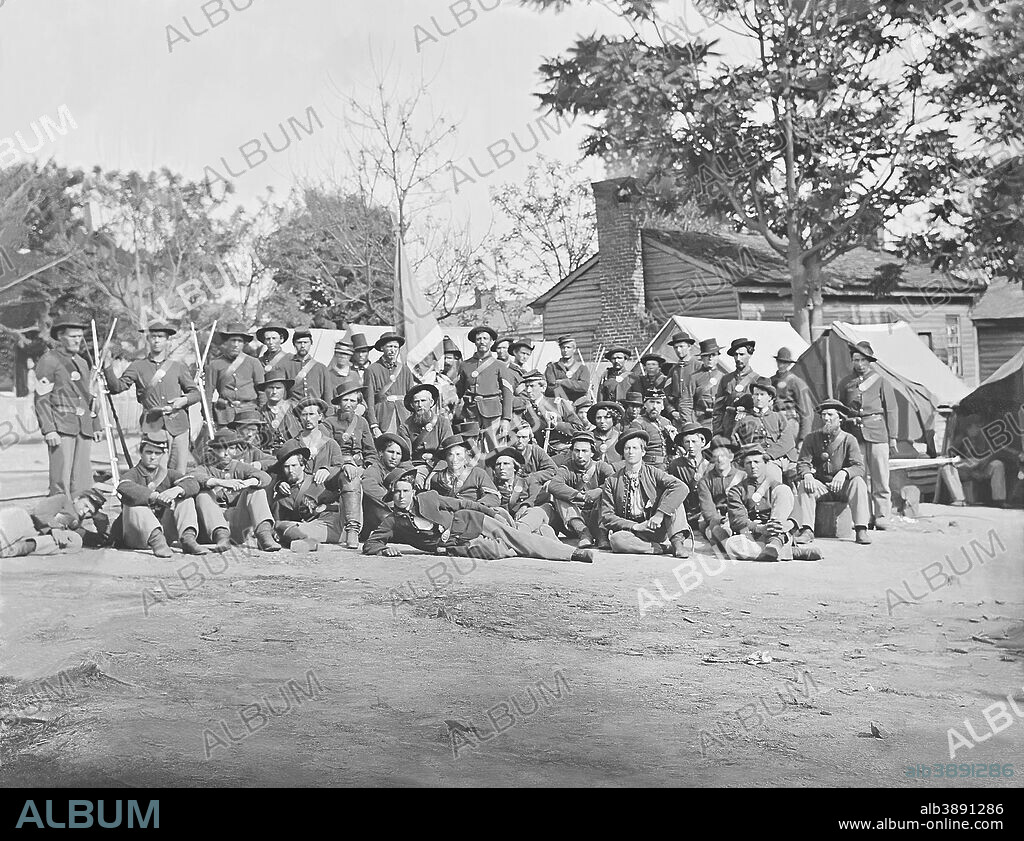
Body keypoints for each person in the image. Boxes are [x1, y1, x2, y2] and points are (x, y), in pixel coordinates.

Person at [363, 467, 593, 563]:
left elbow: (462, 503)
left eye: (405, 490)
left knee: (516, 538)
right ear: (391, 495)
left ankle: (572, 553)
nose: (401, 496)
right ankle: (539, 535)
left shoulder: (429, 497)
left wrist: (490, 511)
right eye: (397, 492)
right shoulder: (393, 521)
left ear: (413, 490)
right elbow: (371, 544)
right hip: (457, 545)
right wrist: (385, 549)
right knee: (500, 552)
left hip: (471, 520)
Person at [103, 322, 200, 471]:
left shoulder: (178, 367)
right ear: (148, 339)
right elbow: (117, 388)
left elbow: (195, 393)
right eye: (153, 336)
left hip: (179, 425)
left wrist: (183, 400)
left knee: (178, 472)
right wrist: (108, 366)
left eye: (160, 337)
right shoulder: (137, 366)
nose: (156, 340)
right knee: (154, 470)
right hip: (153, 425)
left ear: (167, 340)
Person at [113, 431, 206, 557]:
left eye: (157, 453)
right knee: (133, 502)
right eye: (149, 452)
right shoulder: (132, 474)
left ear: (163, 455)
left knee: (186, 498)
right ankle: (157, 541)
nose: (153, 457)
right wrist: (155, 497)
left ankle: (188, 538)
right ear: (141, 453)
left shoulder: (169, 474)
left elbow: (192, 483)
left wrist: (176, 490)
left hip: (165, 533)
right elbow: (123, 486)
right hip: (137, 536)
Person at [34, 316, 98, 497]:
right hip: (61, 428)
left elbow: (88, 397)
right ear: (60, 337)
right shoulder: (49, 360)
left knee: (82, 479)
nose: (78, 340)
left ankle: (79, 517)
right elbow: (41, 398)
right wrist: (49, 429)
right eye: (72, 336)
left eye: (80, 336)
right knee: (61, 480)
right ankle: (60, 518)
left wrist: (96, 424)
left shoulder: (83, 363)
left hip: (83, 427)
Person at [600, 430, 691, 557]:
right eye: (627, 448)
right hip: (631, 531)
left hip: (655, 526)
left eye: (635, 448)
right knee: (616, 541)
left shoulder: (654, 472)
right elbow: (607, 516)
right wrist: (635, 526)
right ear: (623, 453)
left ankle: (677, 544)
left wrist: (659, 514)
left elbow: (682, 487)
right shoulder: (612, 481)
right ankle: (662, 548)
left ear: (643, 452)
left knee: (674, 498)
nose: (631, 451)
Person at [837, 341, 898, 529]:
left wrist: (893, 437)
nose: (860, 364)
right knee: (859, 478)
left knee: (880, 478)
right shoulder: (845, 383)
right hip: (855, 434)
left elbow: (892, 409)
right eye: (856, 360)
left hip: (878, 432)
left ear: (869, 361)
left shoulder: (880, 380)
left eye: (863, 360)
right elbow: (839, 410)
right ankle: (863, 517)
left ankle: (882, 516)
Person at [722, 443, 819, 561]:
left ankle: (775, 543)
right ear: (743, 466)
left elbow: (796, 510)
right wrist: (760, 528)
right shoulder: (736, 491)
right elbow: (738, 521)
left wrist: (788, 524)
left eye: (757, 462)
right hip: (753, 535)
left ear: (765, 464)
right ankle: (791, 552)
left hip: (779, 532)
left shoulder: (776, 486)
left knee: (784, 490)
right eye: (749, 463)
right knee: (731, 544)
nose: (753, 466)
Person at [793, 400, 871, 545]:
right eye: (823, 415)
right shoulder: (811, 438)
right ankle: (807, 530)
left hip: (843, 487)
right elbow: (803, 462)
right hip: (821, 486)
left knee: (858, 482)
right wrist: (807, 474)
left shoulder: (849, 439)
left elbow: (859, 467)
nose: (826, 418)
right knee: (804, 484)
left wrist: (844, 473)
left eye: (830, 415)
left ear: (840, 418)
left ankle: (861, 529)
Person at [192, 429, 281, 552]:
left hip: (237, 524)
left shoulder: (238, 466)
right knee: (203, 495)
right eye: (222, 449)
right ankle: (221, 537)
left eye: (231, 449)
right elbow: (195, 477)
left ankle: (264, 535)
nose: (226, 454)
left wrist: (247, 483)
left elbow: (264, 477)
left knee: (257, 491)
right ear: (214, 450)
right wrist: (221, 482)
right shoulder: (204, 468)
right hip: (212, 527)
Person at [546, 431, 615, 548]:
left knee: (604, 495)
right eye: (577, 451)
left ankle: (601, 536)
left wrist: (598, 491)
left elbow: (615, 483)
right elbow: (554, 485)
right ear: (572, 452)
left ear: (592, 453)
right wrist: (579, 495)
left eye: (584, 451)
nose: (580, 455)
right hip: (573, 519)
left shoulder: (601, 466)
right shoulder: (567, 467)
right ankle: (583, 533)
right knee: (559, 496)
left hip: (596, 516)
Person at [271, 441, 343, 551]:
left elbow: (341, 499)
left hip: (330, 523)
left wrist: (325, 508)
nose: (290, 470)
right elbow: (278, 523)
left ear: (303, 465)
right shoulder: (283, 496)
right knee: (284, 528)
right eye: (286, 467)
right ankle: (311, 542)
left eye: (294, 465)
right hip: (306, 527)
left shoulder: (318, 481)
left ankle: (312, 541)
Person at [1, 487, 110, 557]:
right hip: (25, 522)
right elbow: (40, 512)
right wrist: (55, 528)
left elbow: (93, 539)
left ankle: (15, 549)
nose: (85, 511)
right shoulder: (62, 500)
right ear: (77, 499)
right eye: (85, 505)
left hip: (33, 537)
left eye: (90, 512)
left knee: (74, 541)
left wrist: (102, 521)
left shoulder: (75, 526)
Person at [456, 325, 514, 451]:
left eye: (485, 338)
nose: (482, 341)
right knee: (472, 448)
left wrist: (506, 419)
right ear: (475, 342)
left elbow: (508, 393)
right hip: (471, 412)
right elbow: (458, 391)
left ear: (491, 342)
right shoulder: (465, 365)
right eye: (478, 339)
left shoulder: (500, 365)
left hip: (493, 412)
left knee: (496, 449)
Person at [731, 377, 797, 483]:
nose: (758, 398)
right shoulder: (744, 419)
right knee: (770, 475)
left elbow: (788, 440)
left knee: (800, 476)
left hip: (783, 457)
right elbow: (734, 440)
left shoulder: (778, 417)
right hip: (759, 460)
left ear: (770, 397)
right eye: (756, 394)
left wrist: (769, 454)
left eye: (762, 395)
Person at [484, 447, 556, 536]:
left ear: (515, 467)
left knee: (535, 513)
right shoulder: (492, 486)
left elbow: (537, 495)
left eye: (506, 463)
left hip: (531, 518)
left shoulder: (528, 481)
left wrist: (525, 505)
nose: (501, 467)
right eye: (498, 464)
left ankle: (520, 532)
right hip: (509, 523)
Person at [206, 322, 265, 427]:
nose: (236, 344)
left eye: (240, 341)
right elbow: (208, 394)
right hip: (224, 415)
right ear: (226, 342)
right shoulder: (215, 364)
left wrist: (261, 412)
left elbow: (262, 391)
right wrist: (208, 417)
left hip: (249, 413)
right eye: (233, 340)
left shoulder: (253, 363)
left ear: (244, 344)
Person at [517, 370, 586, 456]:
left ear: (543, 387)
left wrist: (557, 425)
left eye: (532, 386)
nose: (528, 390)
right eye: (526, 386)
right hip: (541, 454)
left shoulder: (559, 403)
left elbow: (579, 428)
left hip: (563, 453)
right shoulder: (527, 411)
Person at [666, 422, 714, 538]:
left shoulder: (710, 466)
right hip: (685, 513)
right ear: (683, 444)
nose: (691, 446)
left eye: (694, 442)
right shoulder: (676, 465)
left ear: (702, 442)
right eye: (687, 442)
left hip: (704, 513)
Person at [361, 433, 414, 538]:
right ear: (381, 453)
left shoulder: (399, 472)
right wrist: (391, 499)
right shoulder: (375, 469)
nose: (394, 457)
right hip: (376, 515)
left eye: (398, 454)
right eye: (390, 452)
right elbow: (368, 484)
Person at [364, 331, 416, 437]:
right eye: (389, 346)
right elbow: (369, 400)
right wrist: (374, 425)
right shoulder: (372, 369)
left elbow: (412, 397)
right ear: (382, 348)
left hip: (404, 417)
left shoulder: (405, 369)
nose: (393, 350)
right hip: (383, 417)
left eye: (395, 347)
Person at [697, 436, 747, 544]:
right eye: (716, 456)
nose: (719, 460)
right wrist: (719, 520)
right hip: (716, 519)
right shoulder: (705, 481)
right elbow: (707, 508)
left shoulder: (743, 476)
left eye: (723, 456)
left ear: (731, 457)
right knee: (714, 533)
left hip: (737, 516)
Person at [429, 434, 499, 505]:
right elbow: (434, 501)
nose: (454, 459)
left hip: (474, 513)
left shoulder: (478, 474)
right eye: (450, 455)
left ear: (465, 455)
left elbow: (492, 497)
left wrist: (477, 506)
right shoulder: (437, 478)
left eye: (458, 454)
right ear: (445, 457)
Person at [288, 397, 343, 484]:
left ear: (320, 416)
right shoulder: (292, 445)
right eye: (304, 415)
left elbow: (339, 467)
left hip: (324, 493)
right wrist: (281, 483)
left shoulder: (331, 444)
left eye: (311, 414)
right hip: (299, 492)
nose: (308, 419)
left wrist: (327, 470)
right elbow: (282, 470)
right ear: (299, 418)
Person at [714, 337, 759, 436]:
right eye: (735, 355)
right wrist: (717, 433)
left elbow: (760, 410)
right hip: (727, 429)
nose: (738, 358)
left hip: (747, 430)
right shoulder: (726, 379)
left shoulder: (757, 380)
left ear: (750, 354)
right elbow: (718, 410)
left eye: (742, 354)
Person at [771, 347, 814, 448]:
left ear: (789, 364)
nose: (781, 365)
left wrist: (803, 438)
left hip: (789, 422)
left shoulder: (796, 382)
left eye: (785, 362)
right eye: (779, 361)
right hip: (773, 423)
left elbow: (806, 412)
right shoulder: (771, 381)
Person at [399, 383, 454, 460]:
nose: (420, 405)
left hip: (440, 464)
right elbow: (406, 455)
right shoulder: (405, 427)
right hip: (416, 465)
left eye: (423, 401)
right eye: (416, 402)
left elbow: (448, 448)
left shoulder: (443, 422)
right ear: (412, 405)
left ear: (431, 402)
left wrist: (434, 458)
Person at [625, 389, 676, 469]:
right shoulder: (638, 423)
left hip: (666, 466)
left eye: (658, 403)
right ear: (645, 405)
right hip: (648, 466)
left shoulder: (666, 422)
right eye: (651, 402)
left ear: (662, 407)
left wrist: (673, 439)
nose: (654, 406)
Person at [679, 338, 721, 427]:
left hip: (720, 420)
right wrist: (688, 423)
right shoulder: (693, 377)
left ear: (718, 357)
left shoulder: (724, 377)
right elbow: (686, 402)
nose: (710, 358)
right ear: (702, 358)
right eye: (707, 355)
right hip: (700, 420)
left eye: (713, 355)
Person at [256, 370, 300, 451]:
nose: (274, 392)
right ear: (265, 390)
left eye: (278, 388)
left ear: (284, 390)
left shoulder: (296, 408)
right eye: (271, 388)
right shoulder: (259, 413)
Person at [283, 329, 329, 403]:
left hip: (315, 410)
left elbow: (327, 395)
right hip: (293, 410)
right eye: (299, 343)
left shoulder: (321, 368)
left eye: (306, 342)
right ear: (294, 344)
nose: (303, 346)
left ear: (311, 343)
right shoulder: (286, 366)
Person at [545, 336, 591, 409]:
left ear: (574, 349)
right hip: (558, 405)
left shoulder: (582, 368)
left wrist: (562, 382)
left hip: (579, 405)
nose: (565, 350)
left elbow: (584, 387)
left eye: (568, 347)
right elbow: (549, 389)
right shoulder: (552, 367)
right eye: (563, 348)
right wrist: (574, 386)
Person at [666, 331, 697, 426]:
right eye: (675, 347)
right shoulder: (673, 370)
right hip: (678, 418)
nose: (678, 350)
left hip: (697, 417)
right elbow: (666, 393)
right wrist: (672, 411)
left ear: (689, 347)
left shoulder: (698, 367)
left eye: (681, 346)